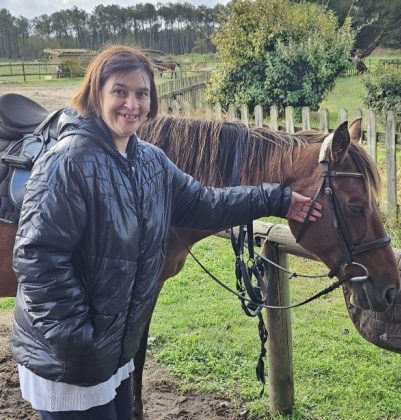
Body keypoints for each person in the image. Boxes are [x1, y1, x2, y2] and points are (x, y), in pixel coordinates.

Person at [10, 45, 322, 420]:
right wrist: (78, 344)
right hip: (71, 366)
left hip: (112, 356)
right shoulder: (67, 162)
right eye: (119, 91)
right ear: (97, 94)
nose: (132, 104)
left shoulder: (149, 160)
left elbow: (206, 203)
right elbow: (37, 258)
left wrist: (278, 198)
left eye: (142, 93)